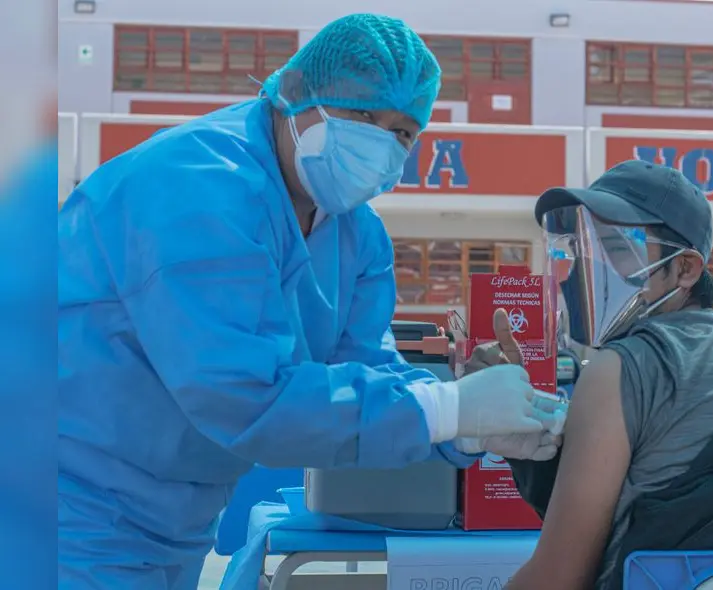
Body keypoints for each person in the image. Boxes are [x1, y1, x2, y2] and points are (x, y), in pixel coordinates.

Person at [57, 14, 561, 589]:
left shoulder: (357, 235)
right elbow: (244, 396)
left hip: (177, 518)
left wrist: (470, 429)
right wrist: (450, 408)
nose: (381, 143)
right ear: (297, 94)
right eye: (365, 116)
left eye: (402, 133)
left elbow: (366, 376)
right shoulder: (196, 183)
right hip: (65, 499)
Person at [495, 161, 713, 590]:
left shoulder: (620, 367)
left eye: (614, 247)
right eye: (578, 247)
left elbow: (555, 579)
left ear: (685, 269)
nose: (585, 269)